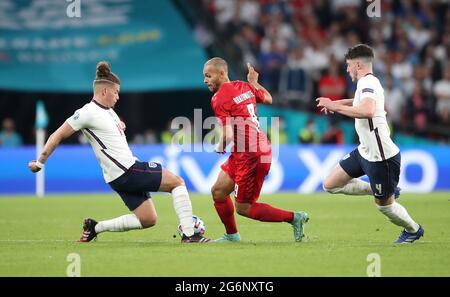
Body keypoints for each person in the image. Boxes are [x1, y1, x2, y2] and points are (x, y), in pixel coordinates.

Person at [28, 61, 210, 243]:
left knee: (148, 219)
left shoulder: (110, 112)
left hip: (117, 177)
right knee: (177, 183)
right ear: (104, 91)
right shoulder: (87, 112)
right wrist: (40, 161)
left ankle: (95, 227)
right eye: (116, 92)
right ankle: (189, 234)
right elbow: (57, 135)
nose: (118, 97)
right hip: (127, 170)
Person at [316, 44, 424, 244]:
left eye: (348, 66)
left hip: (381, 158)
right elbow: (359, 101)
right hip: (364, 152)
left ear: (358, 65)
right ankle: (377, 189)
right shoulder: (367, 84)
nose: (347, 71)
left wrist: (334, 107)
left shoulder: (368, 83)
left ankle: (413, 229)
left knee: (384, 206)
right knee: (330, 184)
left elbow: (366, 110)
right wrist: (336, 103)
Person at [203, 57, 309, 243]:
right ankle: (232, 235)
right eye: (204, 76)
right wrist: (255, 83)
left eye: (209, 76)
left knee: (244, 207)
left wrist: (220, 146)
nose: (206, 80)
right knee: (218, 192)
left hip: (251, 155)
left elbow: (227, 134)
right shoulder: (244, 86)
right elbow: (268, 98)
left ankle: (295, 218)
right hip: (246, 150)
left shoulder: (219, 98)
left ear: (222, 73)